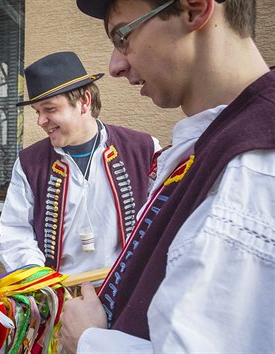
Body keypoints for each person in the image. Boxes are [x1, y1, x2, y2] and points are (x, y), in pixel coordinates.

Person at [60, 0, 274, 353]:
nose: (115, 65)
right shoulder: (214, 144)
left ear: (194, 9)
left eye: (122, 36)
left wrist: (90, 340)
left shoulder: (252, 169)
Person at [0, 51, 160, 277]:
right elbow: (15, 232)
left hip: (122, 290)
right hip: (59, 296)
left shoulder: (143, 148)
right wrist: (39, 281)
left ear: (84, 102)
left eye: (50, 109)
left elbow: (162, 218)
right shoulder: (29, 163)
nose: (41, 121)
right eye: (37, 112)